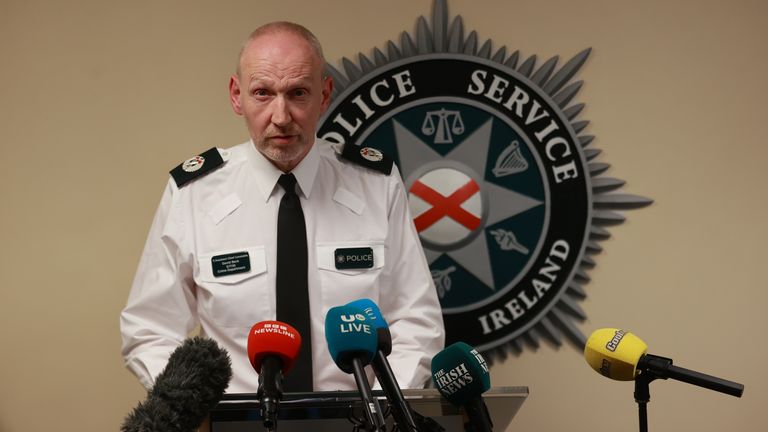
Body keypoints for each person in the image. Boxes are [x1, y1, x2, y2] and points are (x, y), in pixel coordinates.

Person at [120, 21, 445, 393]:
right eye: (262, 93)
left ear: (324, 95)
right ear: (236, 95)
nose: (281, 116)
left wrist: (386, 411)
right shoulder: (194, 193)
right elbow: (149, 329)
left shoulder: (376, 184)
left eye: (298, 93)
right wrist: (202, 408)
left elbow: (417, 321)